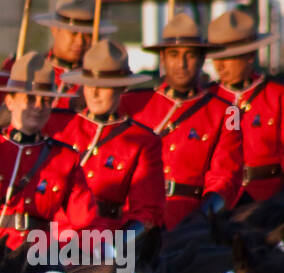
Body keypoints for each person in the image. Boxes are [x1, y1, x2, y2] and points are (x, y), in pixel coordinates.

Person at [121, 13, 243, 226]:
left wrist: (201, 219)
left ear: (203, 59)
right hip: (133, 216)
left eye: (190, 55)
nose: (182, 63)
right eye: (174, 54)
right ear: (163, 58)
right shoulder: (133, 103)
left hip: (189, 219)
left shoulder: (227, 112)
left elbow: (225, 178)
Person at [0, 52, 98, 254]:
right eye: (30, 98)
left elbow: (85, 221)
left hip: (37, 257)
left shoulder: (64, 158)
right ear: (10, 101)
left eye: (46, 100)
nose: (39, 107)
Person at [55, 39, 164, 232]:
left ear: (121, 88)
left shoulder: (142, 141)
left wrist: (117, 247)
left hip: (109, 237)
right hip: (57, 236)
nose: (95, 93)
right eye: (89, 84)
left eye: (103, 86)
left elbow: (147, 211)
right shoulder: (63, 129)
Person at [0, 0, 115, 135]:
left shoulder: (96, 83)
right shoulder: (22, 68)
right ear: (55, 29)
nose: (80, 41)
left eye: (88, 35)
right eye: (73, 33)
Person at [207, 8, 284, 203]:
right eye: (216, 58)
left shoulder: (276, 96)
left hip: (268, 201)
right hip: (218, 202)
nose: (220, 66)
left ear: (250, 55)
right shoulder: (208, 99)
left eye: (228, 58)